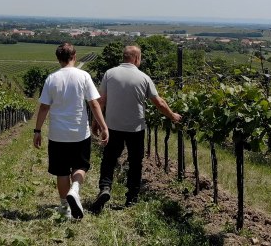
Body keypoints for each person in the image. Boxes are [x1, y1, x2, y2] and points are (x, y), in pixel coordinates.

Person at [90, 44, 181, 212]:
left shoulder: (110, 74)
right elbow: (159, 103)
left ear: (124, 57)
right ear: (137, 58)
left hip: (113, 126)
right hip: (135, 128)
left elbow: (101, 101)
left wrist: (97, 122)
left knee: (109, 159)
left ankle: (105, 188)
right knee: (135, 163)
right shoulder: (143, 78)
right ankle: (131, 198)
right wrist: (172, 115)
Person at [33, 43, 109, 220]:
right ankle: (75, 190)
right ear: (74, 56)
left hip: (57, 134)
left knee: (61, 171)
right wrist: (104, 126)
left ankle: (65, 207)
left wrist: (37, 130)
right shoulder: (83, 76)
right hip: (79, 132)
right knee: (81, 166)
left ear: (58, 58)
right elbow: (94, 103)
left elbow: (44, 107)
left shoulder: (51, 78)